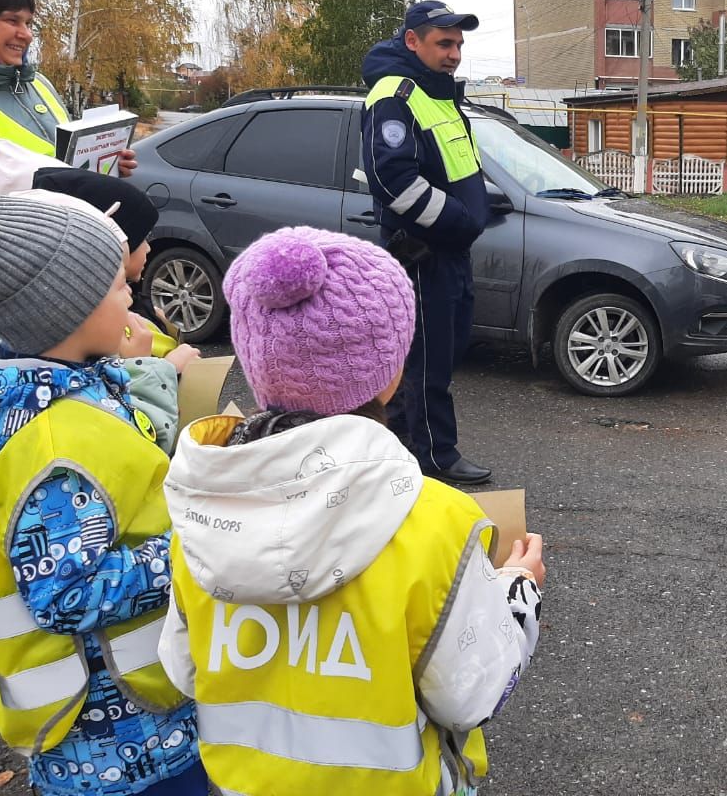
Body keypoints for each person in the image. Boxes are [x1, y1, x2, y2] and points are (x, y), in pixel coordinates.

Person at [158, 226, 544, 796]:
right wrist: (519, 593)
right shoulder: (437, 519)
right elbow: (466, 696)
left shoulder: (201, 512)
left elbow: (184, 670)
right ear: (388, 374)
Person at [0, 196, 204, 795]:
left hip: (123, 725)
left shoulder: (70, 397)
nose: (132, 297)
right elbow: (65, 593)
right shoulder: (58, 440)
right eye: (118, 286)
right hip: (116, 742)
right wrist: (192, 549)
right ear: (70, 309)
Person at [361, 0, 491, 486]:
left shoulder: (438, 95)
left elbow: (454, 169)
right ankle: (435, 456)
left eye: (458, 44)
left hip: (450, 251)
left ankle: (399, 446)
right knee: (427, 359)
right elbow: (391, 178)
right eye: (444, 43)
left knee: (444, 351)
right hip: (423, 253)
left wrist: (480, 204)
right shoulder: (395, 93)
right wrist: (458, 220)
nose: (454, 53)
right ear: (412, 41)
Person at [20, 168, 202, 452]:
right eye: (118, 286)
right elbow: (143, 442)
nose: (129, 298)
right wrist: (145, 368)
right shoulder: (68, 410)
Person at [0, 0, 137, 173]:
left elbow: (70, 155)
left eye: (28, 23)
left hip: (73, 202)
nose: (27, 35)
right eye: (12, 20)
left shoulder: (39, 83)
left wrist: (107, 164)